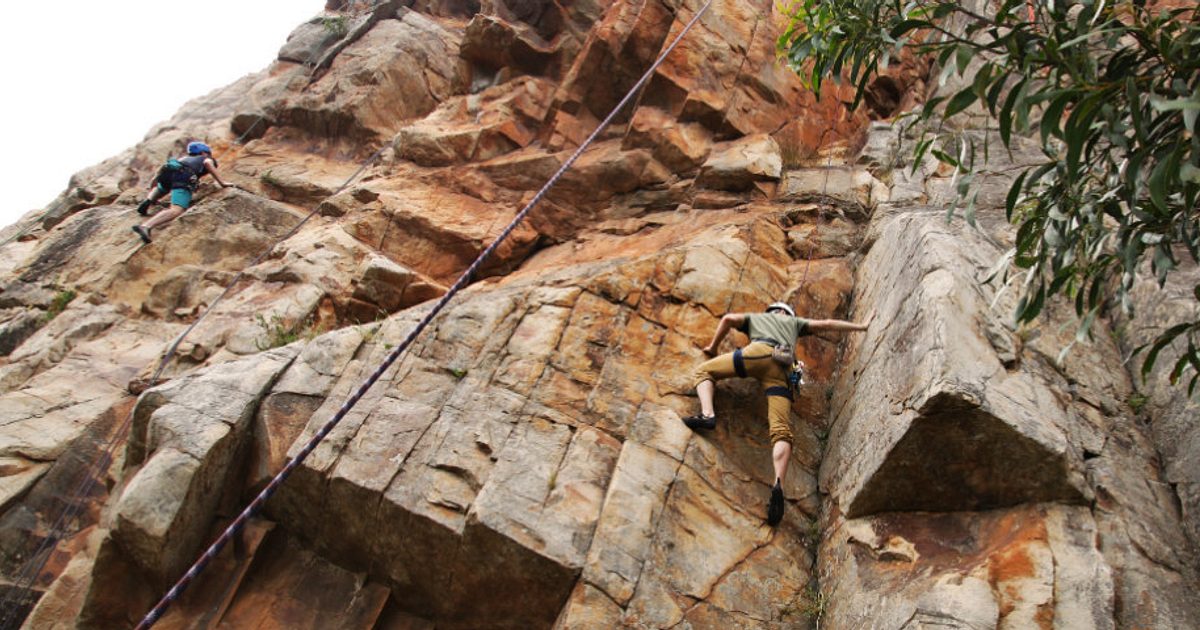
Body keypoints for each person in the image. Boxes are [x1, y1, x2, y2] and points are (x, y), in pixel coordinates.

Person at [684, 302, 869, 526]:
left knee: (704, 371)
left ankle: (707, 414)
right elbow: (827, 324)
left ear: (773, 312)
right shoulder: (794, 323)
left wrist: (713, 347)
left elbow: (728, 319)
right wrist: (862, 326)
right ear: (786, 314)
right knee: (781, 431)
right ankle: (778, 483)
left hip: (757, 353)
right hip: (781, 368)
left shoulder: (757, 319)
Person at [132, 141, 227, 243]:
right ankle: (146, 226)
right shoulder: (206, 158)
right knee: (177, 210)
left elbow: (160, 172)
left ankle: (149, 200)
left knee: (163, 187)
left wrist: (152, 186)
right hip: (183, 176)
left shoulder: (182, 159)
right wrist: (222, 183)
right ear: (204, 152)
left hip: (167, 173)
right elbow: (207, 163)